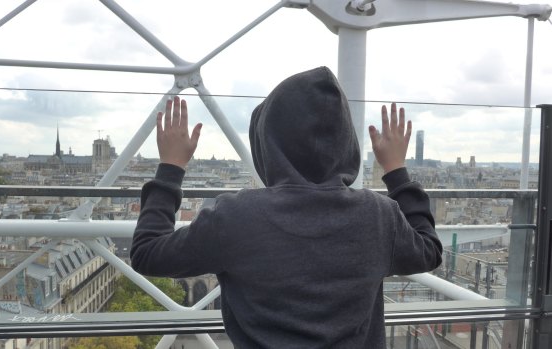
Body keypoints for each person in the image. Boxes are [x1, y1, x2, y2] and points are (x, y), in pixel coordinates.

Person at [131, 66, 443, 348]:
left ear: (268, 144)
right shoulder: (377, 216)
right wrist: (396, 171)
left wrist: (171, 167)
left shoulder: (236, 217)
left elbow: (147, 254)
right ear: (346, 144)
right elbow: (428, 250)